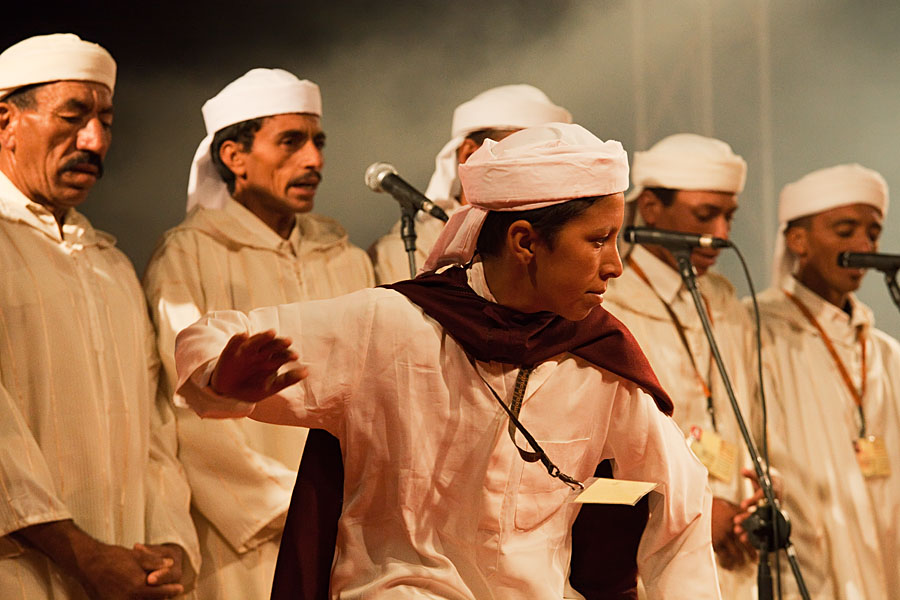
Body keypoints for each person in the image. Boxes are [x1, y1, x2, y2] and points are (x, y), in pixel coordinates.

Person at [174, 123, 721, 599]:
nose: (615, 265)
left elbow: (683, 508)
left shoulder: (597, 360)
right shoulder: (391, 325)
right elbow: (212, 331)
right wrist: (222, 377)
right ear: (526, 241)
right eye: (598, 240)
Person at [143, 68, 375, 599]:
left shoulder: (344, 257)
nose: (314, 159)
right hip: (249, 539)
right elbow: (182, 408)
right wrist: (285, 504)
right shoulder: (189, 253)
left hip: (350, 525)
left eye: (317, 141)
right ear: (234, 156)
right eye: (290, 142)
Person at [0, 34, 198, 599]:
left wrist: (168, 544)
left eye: (106, 121)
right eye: (73, 116)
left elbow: (154, 429)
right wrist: (80, 552)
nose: (94, 140)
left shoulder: (110, 265)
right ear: (5, 120)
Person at [603, 133, 761, 597]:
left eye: (729, 216)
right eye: (704, 215)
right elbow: (594, 467)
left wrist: (753, 496)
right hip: (647, 553)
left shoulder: (725, 302)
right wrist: (693, 506)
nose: (722, 234)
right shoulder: (610, 302)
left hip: (732, 555)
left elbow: (743, 421)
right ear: (650, 208)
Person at [755, 164, 900, 599]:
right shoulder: (756, 328)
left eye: (872, 233)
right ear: (798, 241)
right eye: (845, 230)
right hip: (806, 558)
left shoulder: (885, 352)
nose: (864, 245)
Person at [368, 83, 571, 283]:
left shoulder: (562, 244)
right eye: (526, 155)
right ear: (469, 153)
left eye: (548, 160)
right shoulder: (401, 252)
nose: (539, 171)